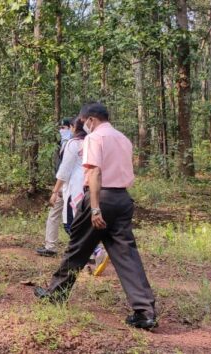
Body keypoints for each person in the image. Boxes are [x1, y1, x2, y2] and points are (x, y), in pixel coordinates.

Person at [34, 102, 157, 330]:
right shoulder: (123, 138)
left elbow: (95, 172)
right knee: (126, 255)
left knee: (78, 247)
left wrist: (95, 207)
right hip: (122, 199)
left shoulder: (94, 138)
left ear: (91, 120)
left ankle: (55, 294)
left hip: (101, 198)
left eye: (83, 122)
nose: (82, 126)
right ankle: (145, 311)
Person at [37, 118, 83, 257]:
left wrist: (55, 190)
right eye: (60, 128)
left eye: (64, 127)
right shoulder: (67, 144)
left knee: (71, 223)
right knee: (56, 214)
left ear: (72, 127)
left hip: (71, 187)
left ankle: (90, 250)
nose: (62, 130)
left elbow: (64, 169)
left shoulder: (73, 144)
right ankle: (50, 246)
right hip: (70, 186)